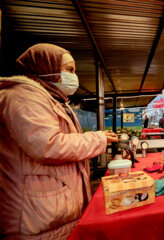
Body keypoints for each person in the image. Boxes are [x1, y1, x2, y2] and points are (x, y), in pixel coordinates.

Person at [0, 43, 118, 239]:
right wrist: (97, 138)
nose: (74, 76)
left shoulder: (52, 99)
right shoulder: (23, 97)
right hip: (35, 219)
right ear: (46, 67)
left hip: (48, 215)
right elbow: (49, 146)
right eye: (69, 69)